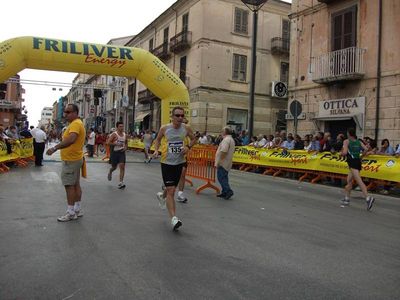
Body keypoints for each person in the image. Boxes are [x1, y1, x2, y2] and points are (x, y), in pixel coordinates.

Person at [153, 106, 196, 230]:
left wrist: (188, 147)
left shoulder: (186, 128)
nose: (180, 118)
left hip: (179, 162)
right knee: (171, 191)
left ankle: (162, 196)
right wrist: (156, 150)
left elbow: (194, 139)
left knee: (171, 188)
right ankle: (174, 218)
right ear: (172, 117)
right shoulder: (165, 128)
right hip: (166, 163)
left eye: (182, 115)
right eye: (177, 115)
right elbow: (157, 140)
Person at [46, 104, 86, 222]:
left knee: (69, 186)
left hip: (72, 160)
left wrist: (54, 148)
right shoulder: (77, 124)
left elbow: (71, 139)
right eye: (65, 112)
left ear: (75, 113)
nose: (65, 114)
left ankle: (70, 212)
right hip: (75, 158)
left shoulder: (75, 124)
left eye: (68, 112)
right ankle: (77, 209)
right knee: (76, 184)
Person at [341, 128, 375, 210]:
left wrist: (341, 153)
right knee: (349, 180)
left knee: (359, 181)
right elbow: (366, 149)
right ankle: (347, 198)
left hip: (352, 162)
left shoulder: (346, 141)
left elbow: (345, 153)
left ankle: (368, 198)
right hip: (357, 162)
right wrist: (361, 156)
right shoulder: (358, 142)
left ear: (349, 134)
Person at [215, 127, 236, 200]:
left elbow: (223, 151)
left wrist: (219, 162)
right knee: (224, 177)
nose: (221, 132)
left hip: (223, 162)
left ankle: (228, 191)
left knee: (221, 177)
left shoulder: (226, 140)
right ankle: (224, 192)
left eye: (222, 131)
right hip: (227, 161)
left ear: (225, 132)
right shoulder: (230, 139)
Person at [107, 121, 127, 189]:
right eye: (120, 126)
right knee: (114, 167)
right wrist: (116, 144)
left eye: (122, 126)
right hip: (114, 152)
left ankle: (121, 182)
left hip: (121, 152)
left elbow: (126, 143)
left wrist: (125, 148)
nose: (122, 128)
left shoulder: (125, 134)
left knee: (122, 166)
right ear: (117, 127)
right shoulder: (114, 134)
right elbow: (108, 142)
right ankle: (110, 171)